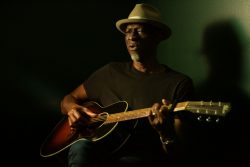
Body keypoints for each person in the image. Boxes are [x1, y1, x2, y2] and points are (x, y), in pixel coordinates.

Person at [60, 3, 194, 167]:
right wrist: (72, 109)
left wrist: (165, 133)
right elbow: (68, 99)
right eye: (128, 31)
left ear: (157, 36)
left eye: (140, 30)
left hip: (139, 158)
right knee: (80, 146)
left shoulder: (179, 84)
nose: (132, 36)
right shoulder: (110, 72)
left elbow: (179, 155)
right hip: (97, 151)